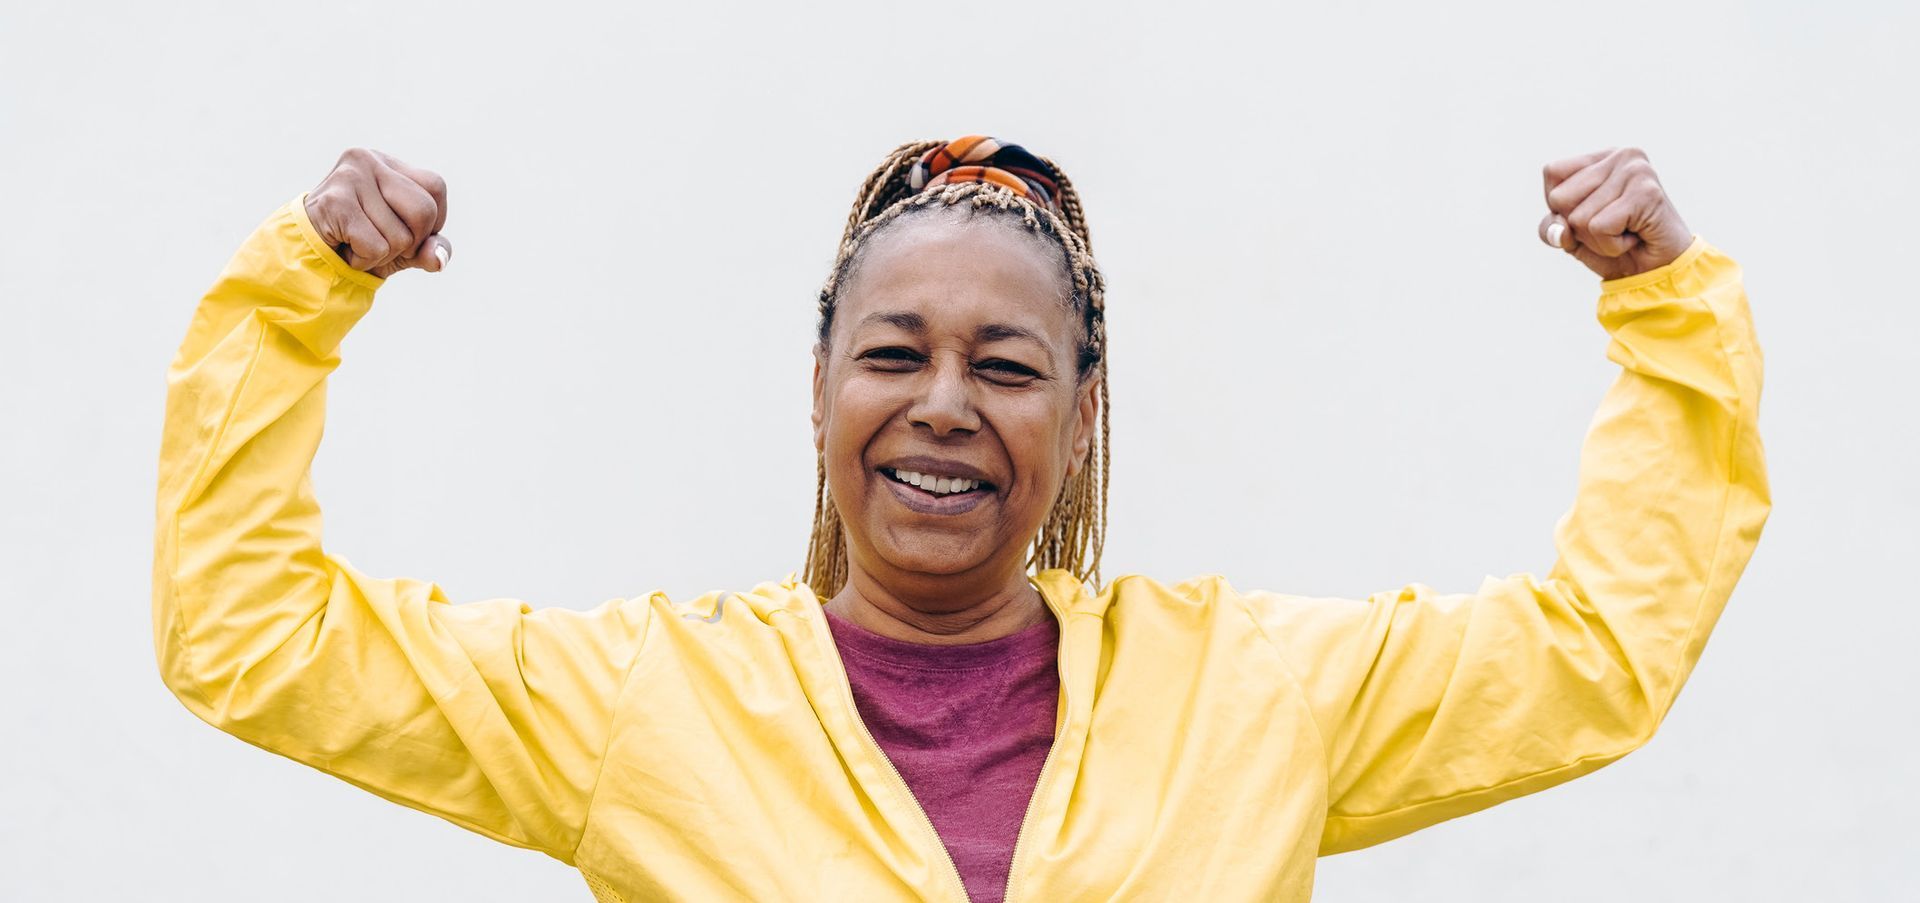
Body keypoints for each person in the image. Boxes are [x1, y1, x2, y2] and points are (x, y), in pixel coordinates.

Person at [152, 137, 1770, 902]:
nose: (943, 404)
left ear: (1077, 419)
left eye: (1006, 366)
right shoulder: (645, 709)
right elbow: (250, 640)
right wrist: (302, 296)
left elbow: (1596, 654)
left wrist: (1666, 310)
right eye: (892, 355)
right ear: (817, 395)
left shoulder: (1249, 696)